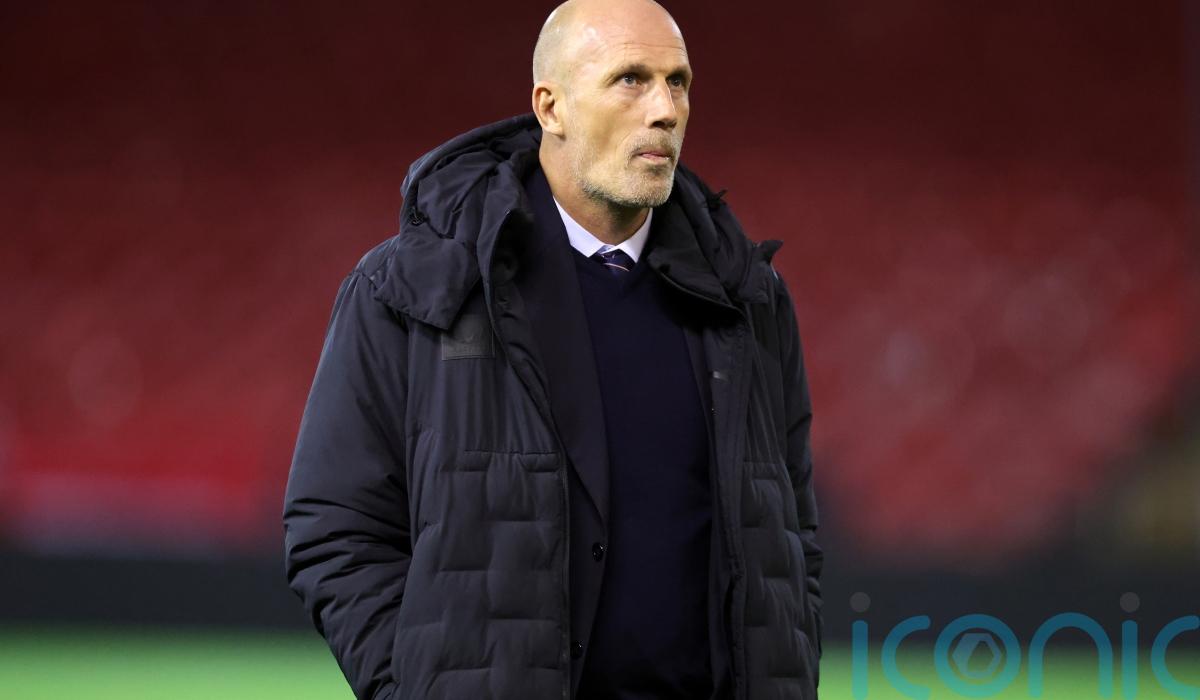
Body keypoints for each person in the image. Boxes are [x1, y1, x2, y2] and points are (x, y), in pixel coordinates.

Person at [282, 0, 823, 698]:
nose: (665, 110)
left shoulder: (749, 298)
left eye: (678, 83)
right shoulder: (416, 287)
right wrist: (414, 688)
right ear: (551, 107)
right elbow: (335, 524)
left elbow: (793, 537)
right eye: (631, 80)